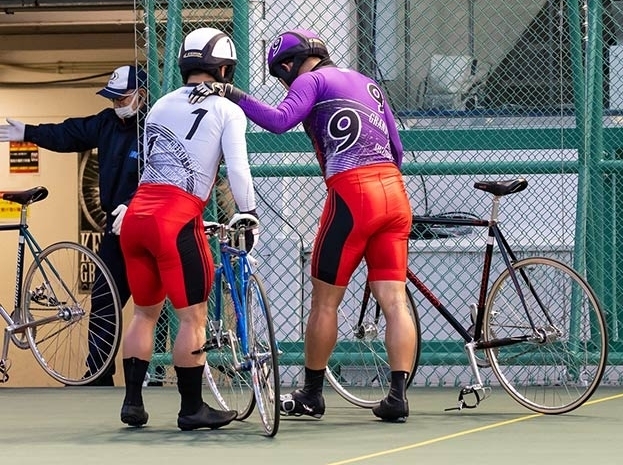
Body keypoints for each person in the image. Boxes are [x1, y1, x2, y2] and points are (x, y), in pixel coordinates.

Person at [189, 29, 417, 423]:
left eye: (282, 76)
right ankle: (397, 396)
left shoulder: (311, 80)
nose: (285, 83)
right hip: (395, 193)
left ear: (289, 64)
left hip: (353, 192)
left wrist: (233, 94)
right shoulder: (367, 82)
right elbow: (397, 148)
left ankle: (312, 392)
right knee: (394, 300)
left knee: (325, 301)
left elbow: (280, 121)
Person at [118, 27, 258, 431]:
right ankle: (192, 408)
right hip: (177, 219)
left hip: (138, 215)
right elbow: (237, 170)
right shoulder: (227, 110)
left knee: (144, 313)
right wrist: (248, 213)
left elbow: (152, 161)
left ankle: (132, 403)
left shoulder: (160, 104)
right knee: (192, 318)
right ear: (226, 69)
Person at [0, 64, 148, 386]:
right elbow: (71, 133)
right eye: (113, 100)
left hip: (149, 223)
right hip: (115, 229)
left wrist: (137, 204)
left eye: (121, 99)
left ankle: (161, 373)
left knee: (155, 303)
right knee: (104, 299)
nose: (116, 105)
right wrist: (30, 132)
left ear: (141, 96)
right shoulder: (107, 123)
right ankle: (98, 374)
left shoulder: (154, 128)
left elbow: (165, 173)